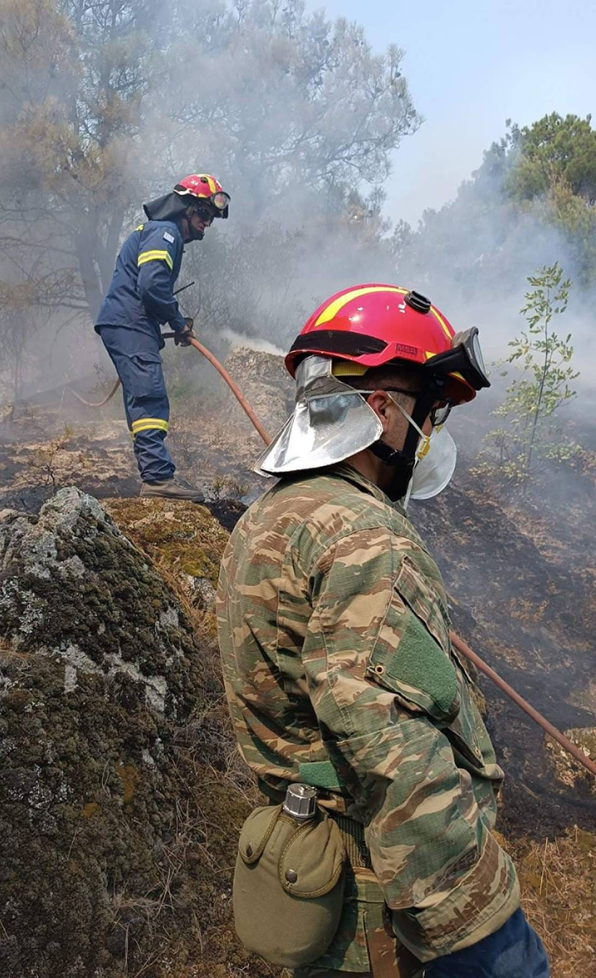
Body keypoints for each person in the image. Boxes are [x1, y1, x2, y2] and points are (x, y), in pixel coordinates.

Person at [216, 284, 550, 978]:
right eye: (429, 414)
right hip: (387, 918)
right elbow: (394, 754)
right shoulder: (364, 538)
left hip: (313, 886)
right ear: (380, 410)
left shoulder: (266, 519)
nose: (431, 436)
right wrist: (483, 935)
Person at [95, 173, 231, 502]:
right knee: (149, 397)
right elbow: (152, 286)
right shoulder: (165, 232)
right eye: (204, 215)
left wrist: (172, 319)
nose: (207, 224)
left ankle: (157, 474)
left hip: (130, 324)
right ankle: (157, 480)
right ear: (185, 209)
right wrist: (177, 321)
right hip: (131, 325)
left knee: (147, 396)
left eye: (210, 218)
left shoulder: (158, 233)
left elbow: (150, 288)